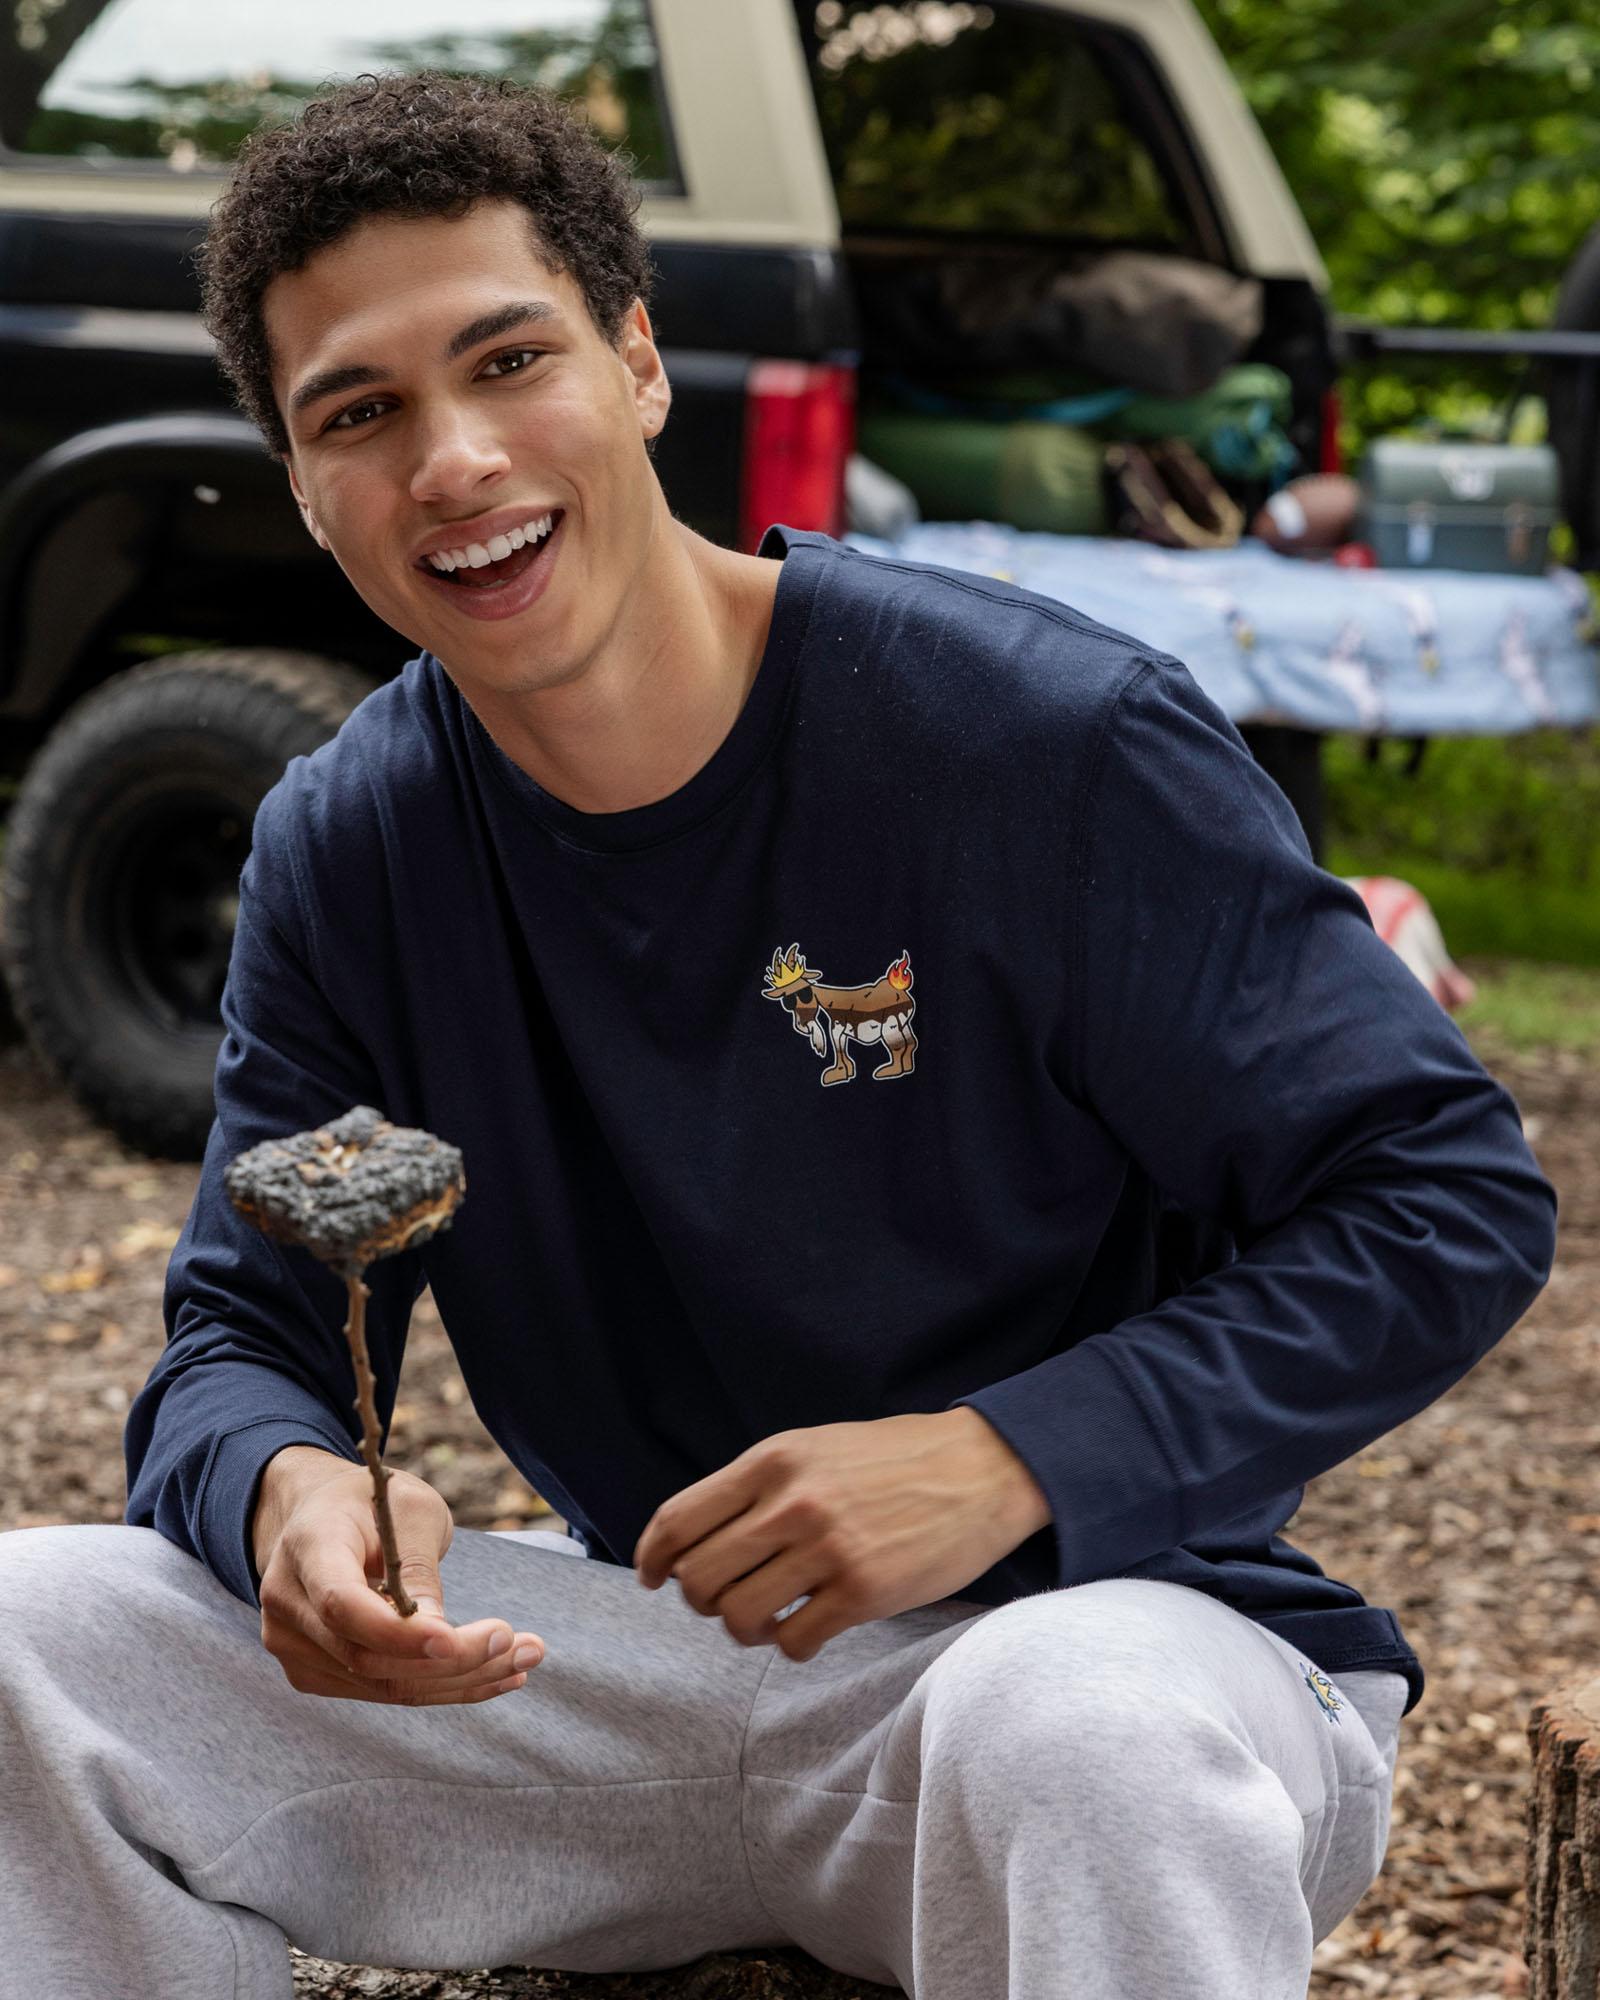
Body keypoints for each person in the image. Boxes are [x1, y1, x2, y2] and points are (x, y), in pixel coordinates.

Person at [0, 72, 1556, 2000]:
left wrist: (1007, 1457)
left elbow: (1448, 1199)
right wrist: (285, 1488)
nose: (456, 460)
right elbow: (249, 1327)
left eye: (511, 359)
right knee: (23, 1636)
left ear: (642, 361)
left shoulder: (1039, 742)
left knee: (1077, 1729)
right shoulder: (352, 846)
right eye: (360, 414)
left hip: (1098, 1648)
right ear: (301, 482)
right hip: (629, 1676)